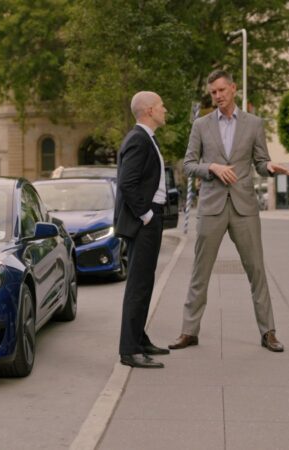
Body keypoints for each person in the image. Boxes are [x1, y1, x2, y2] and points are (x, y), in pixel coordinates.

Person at [169, 70, 289, 353]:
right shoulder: (201, 125)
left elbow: (261, 161)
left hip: (244, 207)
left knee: (257, 270)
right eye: (213, 92)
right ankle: (189, 331)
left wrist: (269, 167)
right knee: (200, 272)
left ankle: (268, 332)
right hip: (211, 208)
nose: (218, 96)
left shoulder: (254, 124)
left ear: (233, 89)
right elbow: (189, 165)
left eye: (222, 90)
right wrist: (211, 168)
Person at [114, 91, 171, 369]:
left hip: (151, 220)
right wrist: (146, 215)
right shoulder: (138, 139)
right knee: (138, 286)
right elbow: (127, 182)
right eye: (161, 105)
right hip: (144, 222)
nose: (165, 109)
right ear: (149, 110)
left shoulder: (147, 138)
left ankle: (140, 338)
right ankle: (130, 350)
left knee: (145, 283)